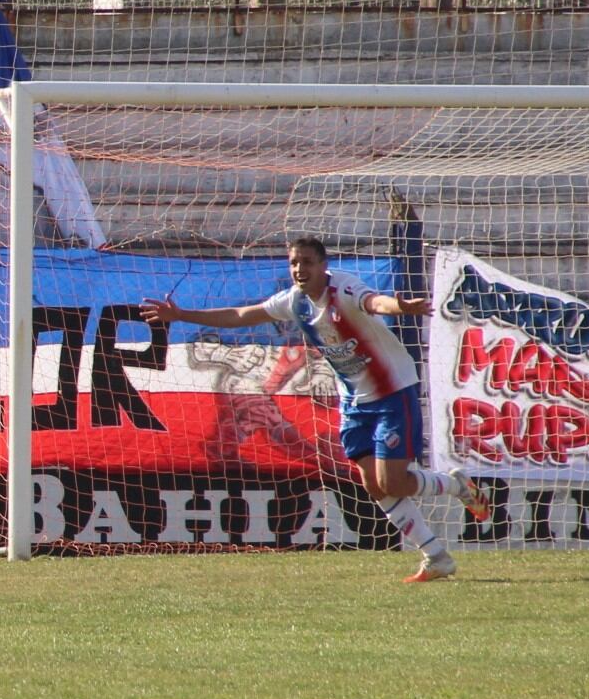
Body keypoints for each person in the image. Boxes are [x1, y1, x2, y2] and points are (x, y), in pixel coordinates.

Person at [140, 236, 493, 583]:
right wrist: (182, 313)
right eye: (294, 262)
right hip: (355, 402)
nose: (299, 269)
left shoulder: (344, 289)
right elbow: (242, 314)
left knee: (393, 481)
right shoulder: (296, 301)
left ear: (323, 266)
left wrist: (401, 307)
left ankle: (457, 485)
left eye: (307, 262)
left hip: (392, 392)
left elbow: (376, 303)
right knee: (375, 485)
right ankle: (436, 557)